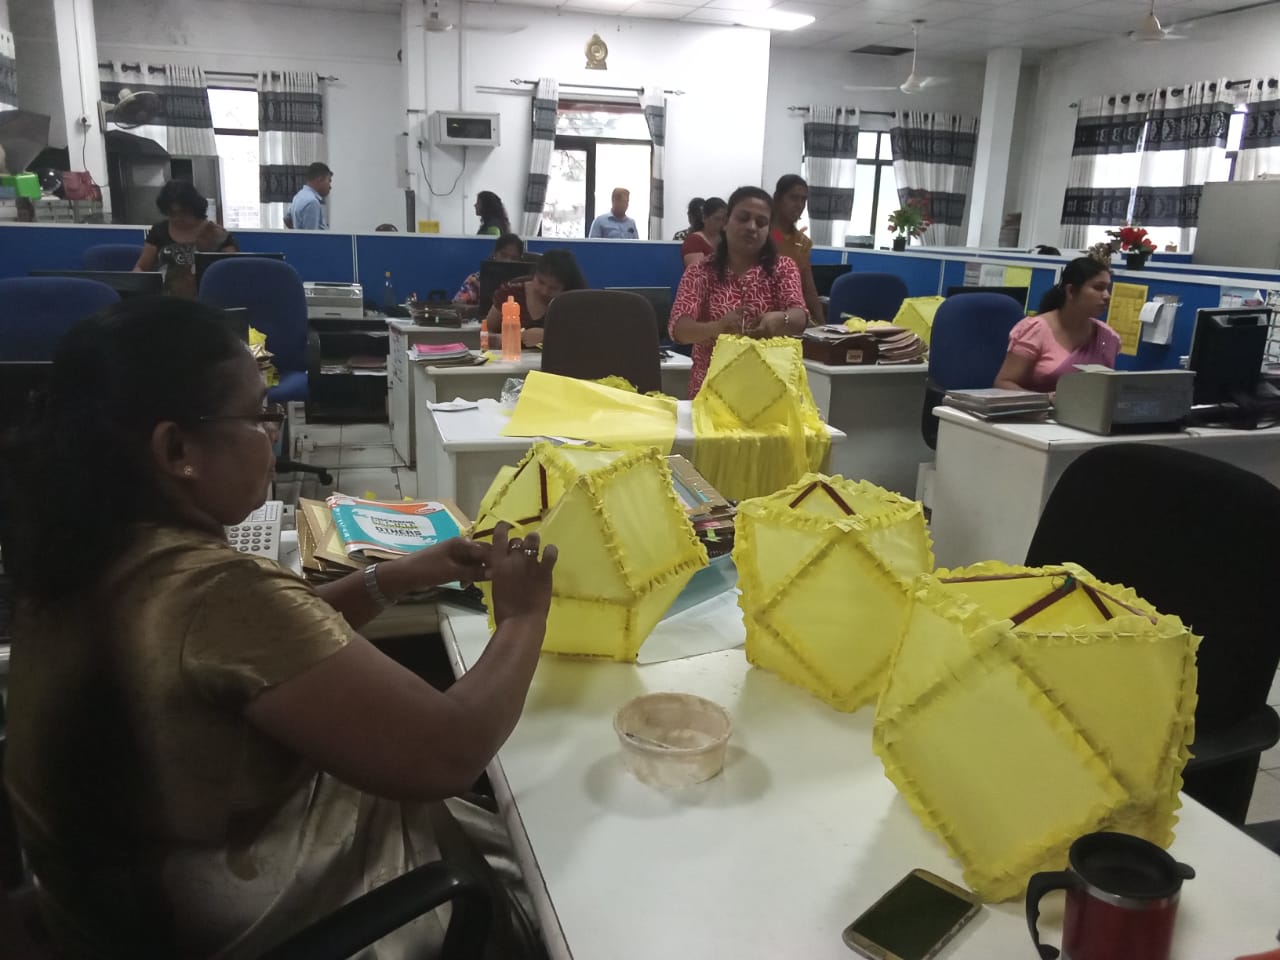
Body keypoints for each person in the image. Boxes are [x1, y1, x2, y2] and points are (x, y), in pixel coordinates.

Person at [0, 296, 557, 959]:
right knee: (551, 872)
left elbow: (272, 652)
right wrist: (524, 616)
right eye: (256, 416)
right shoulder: (215, 594)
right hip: (279, 923)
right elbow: (451, 751)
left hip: (127, 913)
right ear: (177, 448)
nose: (274, 433)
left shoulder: (77, 559)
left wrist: (401, 576)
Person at [670, 186, 809, 398]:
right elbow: (680, 329)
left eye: (761, 223)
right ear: (725, 222)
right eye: (743, 218)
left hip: (770, 392)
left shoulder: (783, 268)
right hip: (711, 390)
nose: (752, 227)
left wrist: (781, 319)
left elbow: (800, 315)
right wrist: (717, 327)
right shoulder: (700, 271)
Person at [994, 257, 1120, 394]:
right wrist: (1043, 400)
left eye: (1108, 288)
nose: (1107, 296)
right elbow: (1003, 383)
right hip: (1037, 412)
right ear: (1071, 291)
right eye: (1098, 288)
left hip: (1085, 413)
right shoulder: (1036, 329)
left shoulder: (1108, 337)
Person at [132, 180, 238, 298]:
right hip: (164, 302)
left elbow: (233, 272)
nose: (177, 218)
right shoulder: (159, 232)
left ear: (194, 208)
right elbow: (141, 267)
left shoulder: (218, 235)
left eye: (183, 213)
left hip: (207, 302)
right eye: (172, 213)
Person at [484, 249, 587, 349]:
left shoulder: (571, 301)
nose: (544, 291)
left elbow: (585, 337)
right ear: (534, 275)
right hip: (511, 360)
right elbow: (485, 332)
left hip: (556, 363)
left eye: (553, 288)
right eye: (541, 282)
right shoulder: (510, 294)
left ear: (565, 288)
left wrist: (548, 336)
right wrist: (504, 339)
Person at [771, 174, 825, 325]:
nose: (799, 205)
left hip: (796, 315)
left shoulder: (802, 242)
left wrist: (822, 326)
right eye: (793, 198)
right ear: (777, 198)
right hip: (767, 315)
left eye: (803, 200)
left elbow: (809, 287)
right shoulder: (764, 234)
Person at [454, 232, 525, 306]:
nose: (508, 261)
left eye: (514, 258)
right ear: (495, 254)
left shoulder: (525, 283)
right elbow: (457, 304)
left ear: (520, 260)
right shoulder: (476, 279)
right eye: (504, 255)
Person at [680, 197, 728, 268]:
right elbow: (697, 273)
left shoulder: (726, 239)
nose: (722, 223)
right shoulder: (694, 241)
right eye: (717, 219)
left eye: (725, 219)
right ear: (704, 218)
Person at [287, 161, 333, 231]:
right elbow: (312, 238)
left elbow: (287, 219)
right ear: (320, 179)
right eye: (329, 181)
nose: (330, 186)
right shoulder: (312, 202)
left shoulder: (298, 196)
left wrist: (297, 233)